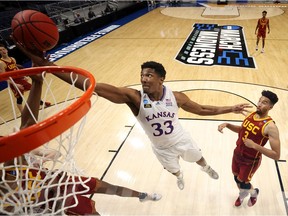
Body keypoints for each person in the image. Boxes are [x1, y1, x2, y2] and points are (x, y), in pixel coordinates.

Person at [14, 44, 252, 191]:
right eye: (142, 75)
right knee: (174, 170)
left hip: (181, 138)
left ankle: (206, 168)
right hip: (160, 147)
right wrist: (49, 65)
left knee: (198, 158)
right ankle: (179, 175)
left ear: (161, 79)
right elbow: (92, 86)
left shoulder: (176, 96)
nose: (144, 79)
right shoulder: (134, 98)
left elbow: (202, 110)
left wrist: (229, 108)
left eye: (149, 75)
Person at [0, 74, 161, 215]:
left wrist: (38, 82)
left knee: (102, 186)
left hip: (52, 180)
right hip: (48, 202)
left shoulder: (9, 159)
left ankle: (141, 195)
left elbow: (27, 127)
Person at [218, 90, 280, 207]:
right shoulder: (251, 115)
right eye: (260, 101)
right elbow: (242, 130)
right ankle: (243, 193)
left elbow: (276, 155)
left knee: (244, 182)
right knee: (236, 177)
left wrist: (255, 146)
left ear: (270, 107)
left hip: (250, 160)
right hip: (237, 153)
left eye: (264, 102)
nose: (260, 104)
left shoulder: (271, 127)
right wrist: (227, 124)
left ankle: (253, 193)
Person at [0, 43, 51, 113]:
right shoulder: (1, 63)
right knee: (19, 98)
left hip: (20, 79)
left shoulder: (12, 59)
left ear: (6, 50)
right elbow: (4, 77)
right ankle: (23, 113)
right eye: (1, 50)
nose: (3, 51)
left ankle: (42, 103)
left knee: (34, 90)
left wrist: (23, 76)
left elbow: (16, 69)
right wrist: (15, 85)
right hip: (13, 82)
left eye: (3, 49)